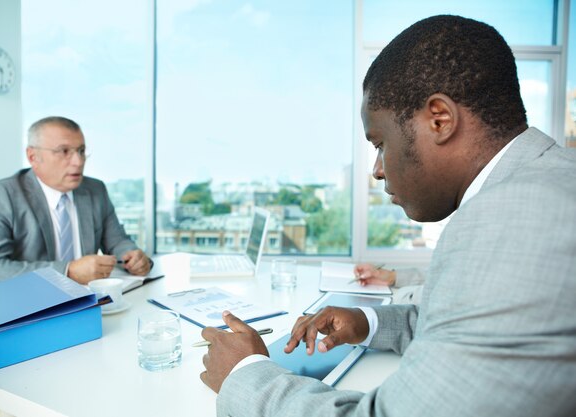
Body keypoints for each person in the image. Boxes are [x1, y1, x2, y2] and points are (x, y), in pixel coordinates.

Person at [199, 15, 576, 416]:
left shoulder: (513, 218)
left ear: (440, 119)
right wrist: (366, 323)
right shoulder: (545, 184)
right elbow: (462, 329)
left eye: (380, 143)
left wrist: (245, 373)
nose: (377, 168)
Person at [0, 116, 152, 287]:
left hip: (90, 301)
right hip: (28, 307)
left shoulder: (95, 190)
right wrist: (68, 271)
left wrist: (132, 256)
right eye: (64, 151)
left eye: (81, 151)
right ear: (33, 157)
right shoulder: (0, 195)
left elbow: (117, 241)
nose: (78, 162)